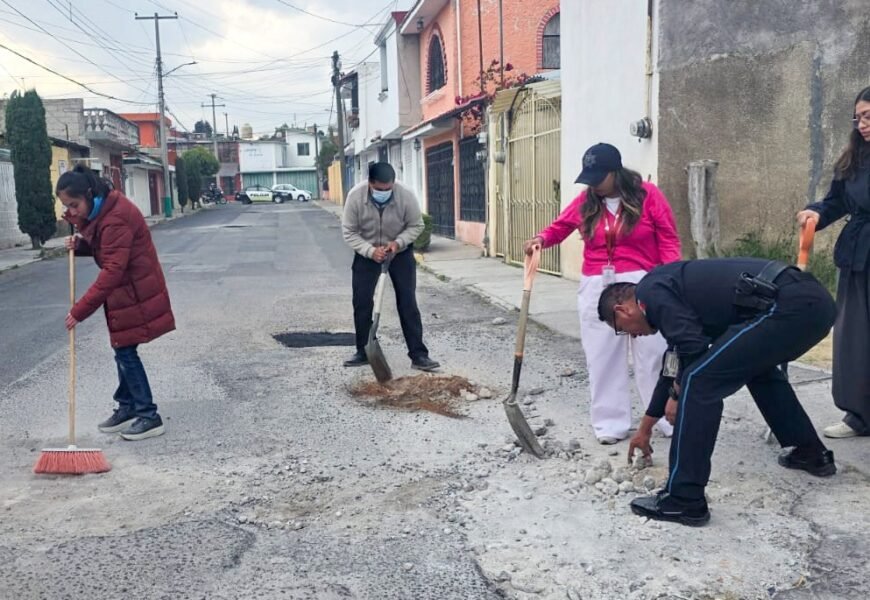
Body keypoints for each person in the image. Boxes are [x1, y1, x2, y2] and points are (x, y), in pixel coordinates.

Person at [598, 258, 837, 526]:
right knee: (757, 370)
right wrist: (645, 427)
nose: (631, 336)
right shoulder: (669, 294)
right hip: (814, 304)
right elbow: (673, 363)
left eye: (620, 329)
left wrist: (678, 396)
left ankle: (684, 499)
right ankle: (811, 454)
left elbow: (692, 349)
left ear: (623, 310)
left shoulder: (649, 291)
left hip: (788, 305)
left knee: (698, 383)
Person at [523, 143, 681, 444]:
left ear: (615, 172)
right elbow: (560, 227)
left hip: (643, 283)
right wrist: (541, 239)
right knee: (603, 357)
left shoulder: (648, 195)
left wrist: (671, 278)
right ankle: (611, 423)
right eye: (589, 178)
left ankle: (664, 417)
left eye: (599, 177)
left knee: (653, 355)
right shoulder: (586, 201)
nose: (593, 184)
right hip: (598, 285)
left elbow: (669, 239)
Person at [58, 165, 175, 441]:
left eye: (74, 205)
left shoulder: (116, 217)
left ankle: (148, 415)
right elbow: (107, 247)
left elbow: (113, 268)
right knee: (122, 346)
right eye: (66, 207)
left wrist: (80, 310)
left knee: (125, 350)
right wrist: (82, 245)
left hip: (134, 289)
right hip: (126, 288)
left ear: (88, 194)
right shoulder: (104, 211)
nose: (71, 212)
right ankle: (128, 406)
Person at [798, 86, 870, 439]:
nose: (862, 124)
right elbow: (836, 201)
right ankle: (859, 415)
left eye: (869, 115)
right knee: (854, 335)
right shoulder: (852, 161)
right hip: (859, 255)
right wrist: (816, 212)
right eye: (858, 118)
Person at [341, 162, 439, 371]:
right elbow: (349, 231)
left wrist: (398, 243)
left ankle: (419, 354)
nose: (384, 192)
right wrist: (369, 251)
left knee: (407, 302)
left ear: (393, 184)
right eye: (379, 189)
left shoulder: (405, 195)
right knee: (361, 301)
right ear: (370, 183)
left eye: (388, 189)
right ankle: (364, 350)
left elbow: (416, 225)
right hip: (367, 253)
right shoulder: (355, 197)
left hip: (399, 253)